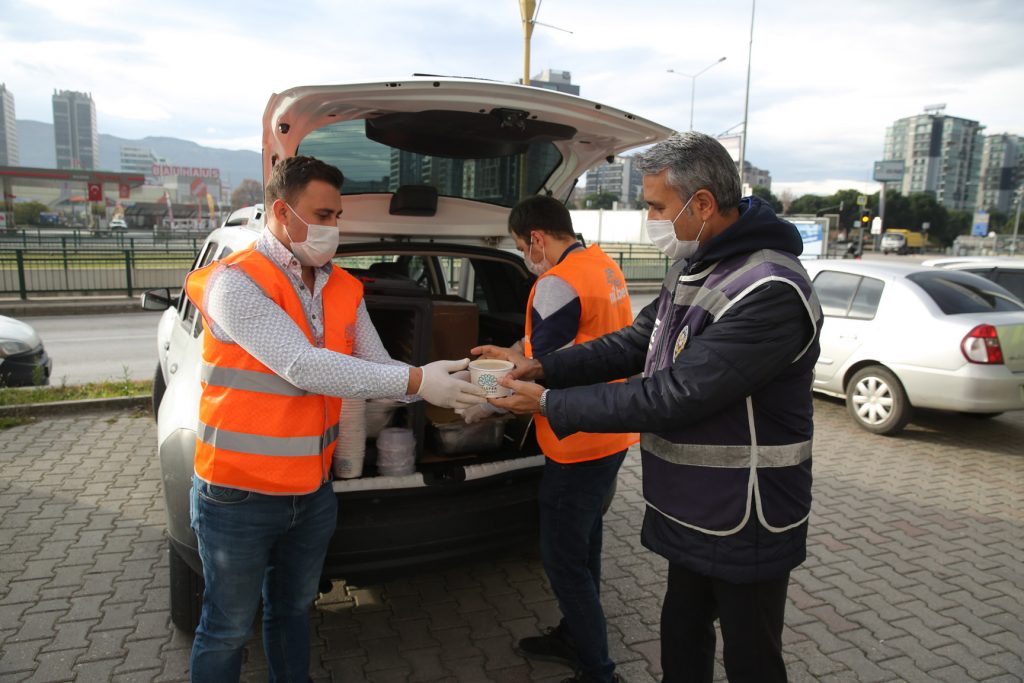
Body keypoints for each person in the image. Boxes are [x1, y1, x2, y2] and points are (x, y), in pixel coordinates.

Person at [477, 132, 822, 683]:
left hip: (748, 515)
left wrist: (549, 403)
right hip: (693, 505)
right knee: (682, 634)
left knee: (751, 656)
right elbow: (638, 342)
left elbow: (676, 393)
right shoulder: (697, 264)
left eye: (658, 206)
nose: (650, 218)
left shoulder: (769, 288)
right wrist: (542, 367)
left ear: (703, 204)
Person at [183, 155, 485, 681]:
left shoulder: (343, 287)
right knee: (227, 627)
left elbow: (377, 367)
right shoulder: (237, 283)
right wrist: (418, 382)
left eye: (337, 215)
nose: (332, 228)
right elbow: (302, 366)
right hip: (237, 495)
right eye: (322, 215)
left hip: (310, 492)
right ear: (281, 211)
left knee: (293, 612)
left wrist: (459, 383)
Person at [464, 195, 636, 683]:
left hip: (574, 440)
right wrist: (513, 350)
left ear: (536, 238)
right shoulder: (602, 266)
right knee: (587, 547)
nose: (524, 255)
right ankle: (574, 636)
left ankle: (598, 672)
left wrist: (481, 398)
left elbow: (545, 368)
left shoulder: (554, 283)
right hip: (611, 430)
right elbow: (559, 347)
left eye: (521, 246)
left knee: (564, 562)